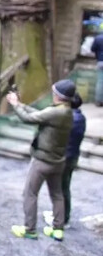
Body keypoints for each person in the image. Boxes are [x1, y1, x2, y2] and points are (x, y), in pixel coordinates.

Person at [7, 79, 74, 241]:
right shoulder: (67, 111)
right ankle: (58, 229)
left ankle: (29, 229)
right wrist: (21, 105)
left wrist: (15, 105)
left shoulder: (57, 112)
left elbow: (29, 119)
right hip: (58, 161)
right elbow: (39, 115)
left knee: (30, 193)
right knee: (57, 194)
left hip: (43, 160)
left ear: (58, 95)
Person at [44, 93, 86, 230]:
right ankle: (60, 215)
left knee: (61, 189)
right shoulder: (80, 117)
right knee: (62, 188)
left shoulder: (71, 118)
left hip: (66, 158)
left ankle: (62, 220)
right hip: (72, 156)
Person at [92, 32, 103, 107]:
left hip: (100, 62)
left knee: (100, 82)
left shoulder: (98, 38)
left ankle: (99, 101)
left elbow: (92, 49)